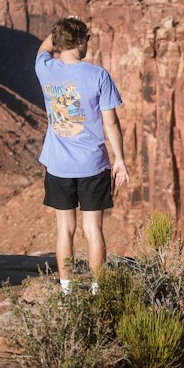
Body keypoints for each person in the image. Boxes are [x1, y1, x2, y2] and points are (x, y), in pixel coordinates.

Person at [35, 16, 129, 291]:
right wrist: (119, 160)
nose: (88, 42)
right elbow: (110, 122)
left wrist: (61, 29)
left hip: (58, 165)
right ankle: (97, 287)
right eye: (86, 37)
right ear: (79, 41)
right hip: (93, 165)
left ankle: (66, 288)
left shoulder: (45, 68)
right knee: (93, 229)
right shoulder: (98, 75)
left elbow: (44, 48)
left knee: (65, 228)